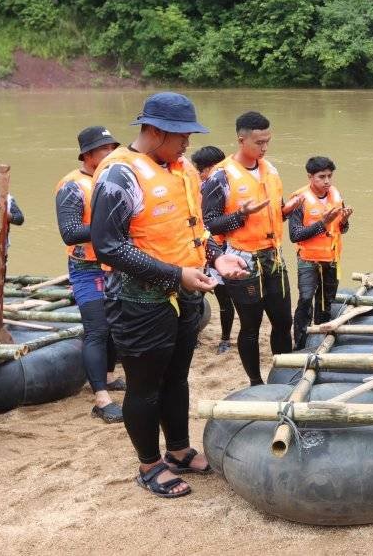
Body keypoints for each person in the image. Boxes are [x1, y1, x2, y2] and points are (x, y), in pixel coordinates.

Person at [91, 91, 249, 498]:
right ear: (156, 131)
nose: (188, 144)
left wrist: (217, 258)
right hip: (139, 301)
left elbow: (192, 229)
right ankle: (149, 464)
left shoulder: (183, 170)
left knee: (177, 378)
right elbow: (109, 247)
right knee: (145, 386)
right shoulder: (118, 174)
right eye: (182, 135)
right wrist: (175, 274)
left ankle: (178, 449)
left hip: (186, 292)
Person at [201, 112, 302, 385]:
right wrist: (240, 215)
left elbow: (273, 214)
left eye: (268, 141)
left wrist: (286, 211)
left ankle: (283, 378)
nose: (265, 147)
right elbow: (208, 224)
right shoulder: (220, 176)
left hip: (273, 255)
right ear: (241, 139)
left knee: (283, 321)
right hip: (241, 259)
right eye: (259, 142)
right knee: (250, 327)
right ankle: (256, 383)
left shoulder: (271, 170)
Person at [55, 126, 124, 423]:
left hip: (114, 264)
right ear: (87, 154)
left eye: (113, 148)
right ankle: (101, 399)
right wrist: (109, 227)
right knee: (96, 330)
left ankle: (107, 376)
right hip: (87, 267)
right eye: (104, 150)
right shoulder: (71, 186)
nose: (110, 154)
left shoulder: (113, 180)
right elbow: (70, 233)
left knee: (113, 327)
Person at [289, 156, 352, 350]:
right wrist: (322, 223)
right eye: (321, 177)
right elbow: (295, 235)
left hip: (331, 258)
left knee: (326, 301)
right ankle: (300, 343)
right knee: (306, 299)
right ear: (310, 176)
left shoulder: (336, 195)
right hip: (308, 259)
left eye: (329, 176)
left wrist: (344, 220)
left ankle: (321, 341)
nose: (327, 181)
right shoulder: (299, 199)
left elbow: (342, 229)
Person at [192, 146, 235, 354]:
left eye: (203, 169)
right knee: (196, 296)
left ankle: (225, 339)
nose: (200, 174)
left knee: (224, 298)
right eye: (198, 170)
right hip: (198, 250)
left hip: (220, 250)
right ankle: (194, 335)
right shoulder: (195, 189)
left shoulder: (228, 189)